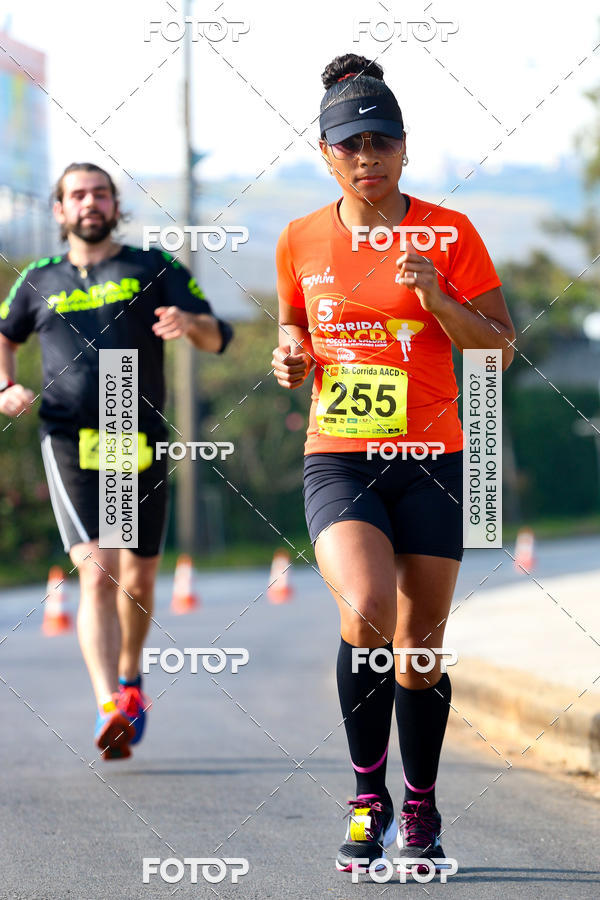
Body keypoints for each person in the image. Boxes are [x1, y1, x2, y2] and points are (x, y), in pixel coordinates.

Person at [272, 54, 515, 874]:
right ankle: (366, 798)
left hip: (437, 459)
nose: (366, 157)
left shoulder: (451, 234)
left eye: (381, 142)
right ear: (325, 153)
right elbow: (294, 329)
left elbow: (501, 353)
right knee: (367, 606)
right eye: (350, 144)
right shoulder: (300, 238)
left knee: (418, 647)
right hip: (339, 457)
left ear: (405, 150)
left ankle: (421, 802)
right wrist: (290, 357)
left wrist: (439, 298)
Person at [0, 162, 233, 760]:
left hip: (133, 432)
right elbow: (5, 333)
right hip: (69, 437)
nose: (89, 202)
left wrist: (191, 324)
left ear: (115, 204)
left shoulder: (152, 267)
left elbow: (218, 335)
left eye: (100, 192)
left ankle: (131, 679)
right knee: (97, 572)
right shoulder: (36, 278)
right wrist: (6, 384)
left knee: (138, 576)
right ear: (59, 210)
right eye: (77, 194)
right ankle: (111, 706)